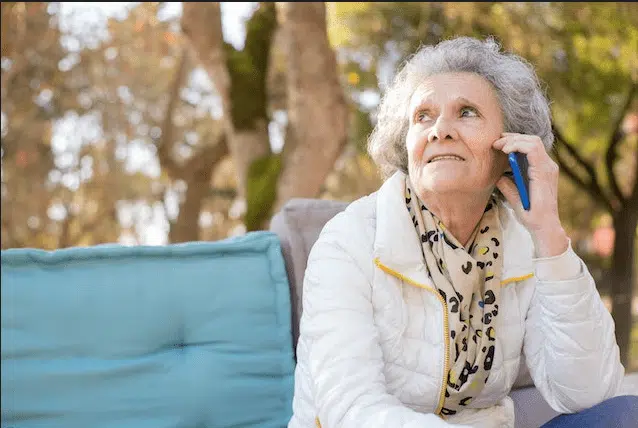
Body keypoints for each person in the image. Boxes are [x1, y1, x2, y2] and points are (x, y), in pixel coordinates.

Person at [287, 36, 636, 428]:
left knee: (627, 415)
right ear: (407, 144)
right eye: (423, 116)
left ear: (510, 148)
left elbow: (588, 392)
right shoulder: (347, 241)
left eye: (466, 112)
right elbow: (351, 409)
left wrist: (550, 236)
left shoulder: (523, 242)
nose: (440, 130)